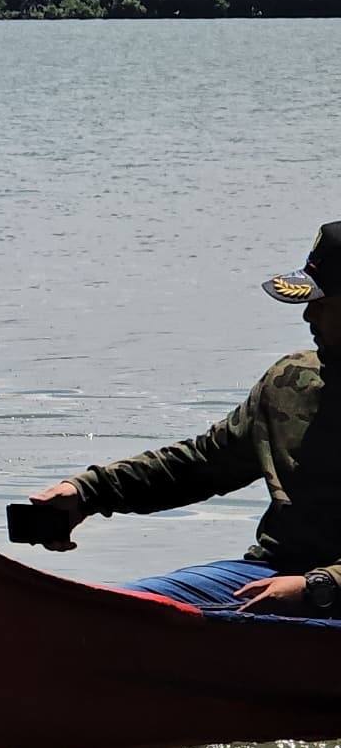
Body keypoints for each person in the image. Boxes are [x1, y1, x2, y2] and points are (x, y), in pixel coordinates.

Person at [25, 221, 341, 616]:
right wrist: (87, 493)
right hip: (270, 572)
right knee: (106, 610)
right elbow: (203, 463)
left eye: (323, 304)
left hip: (322, 596)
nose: (308, 316)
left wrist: (321, 586)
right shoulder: (291, 381)